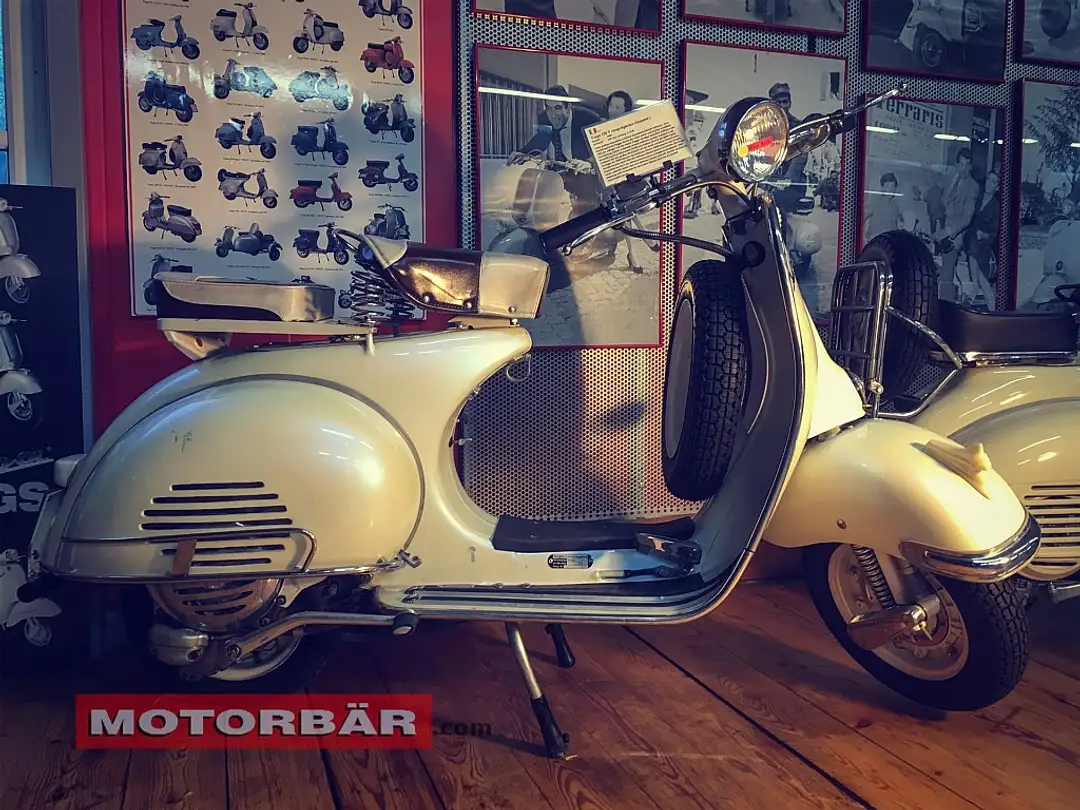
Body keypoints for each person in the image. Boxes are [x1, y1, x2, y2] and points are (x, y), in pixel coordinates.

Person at [936, 148, 980, 287]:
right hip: (942, 229)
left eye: (967, 165)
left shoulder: (972, 187)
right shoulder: (951, 178)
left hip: (954, 236)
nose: (963, 169)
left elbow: (967, 218)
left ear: (971, 167)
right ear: (956, 165)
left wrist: (948, 231)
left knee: (946, 276)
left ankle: (945, 299)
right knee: (942, 271)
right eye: (961, 165)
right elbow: (943, 201)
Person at [966, 168, 1000, 305]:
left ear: (997, 187)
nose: (989, 183)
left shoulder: (996, 206)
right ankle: (992, 306)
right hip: (970, 238)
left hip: (984, 244)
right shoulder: (977, 197)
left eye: (993, 182)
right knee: (981, 276)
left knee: (974, 250)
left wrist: (985, 235)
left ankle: (975, 286)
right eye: (988, 180)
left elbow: (996, 232)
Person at [863, 173, 903, 242]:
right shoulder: (875, 201)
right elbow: (862, 217)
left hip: (889, 242)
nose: (890, 190)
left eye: (892, 187)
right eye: (887, 186)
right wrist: (862, 237)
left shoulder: (895, 206)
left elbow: (897, 225)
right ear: (882, 188)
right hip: (875, 241)